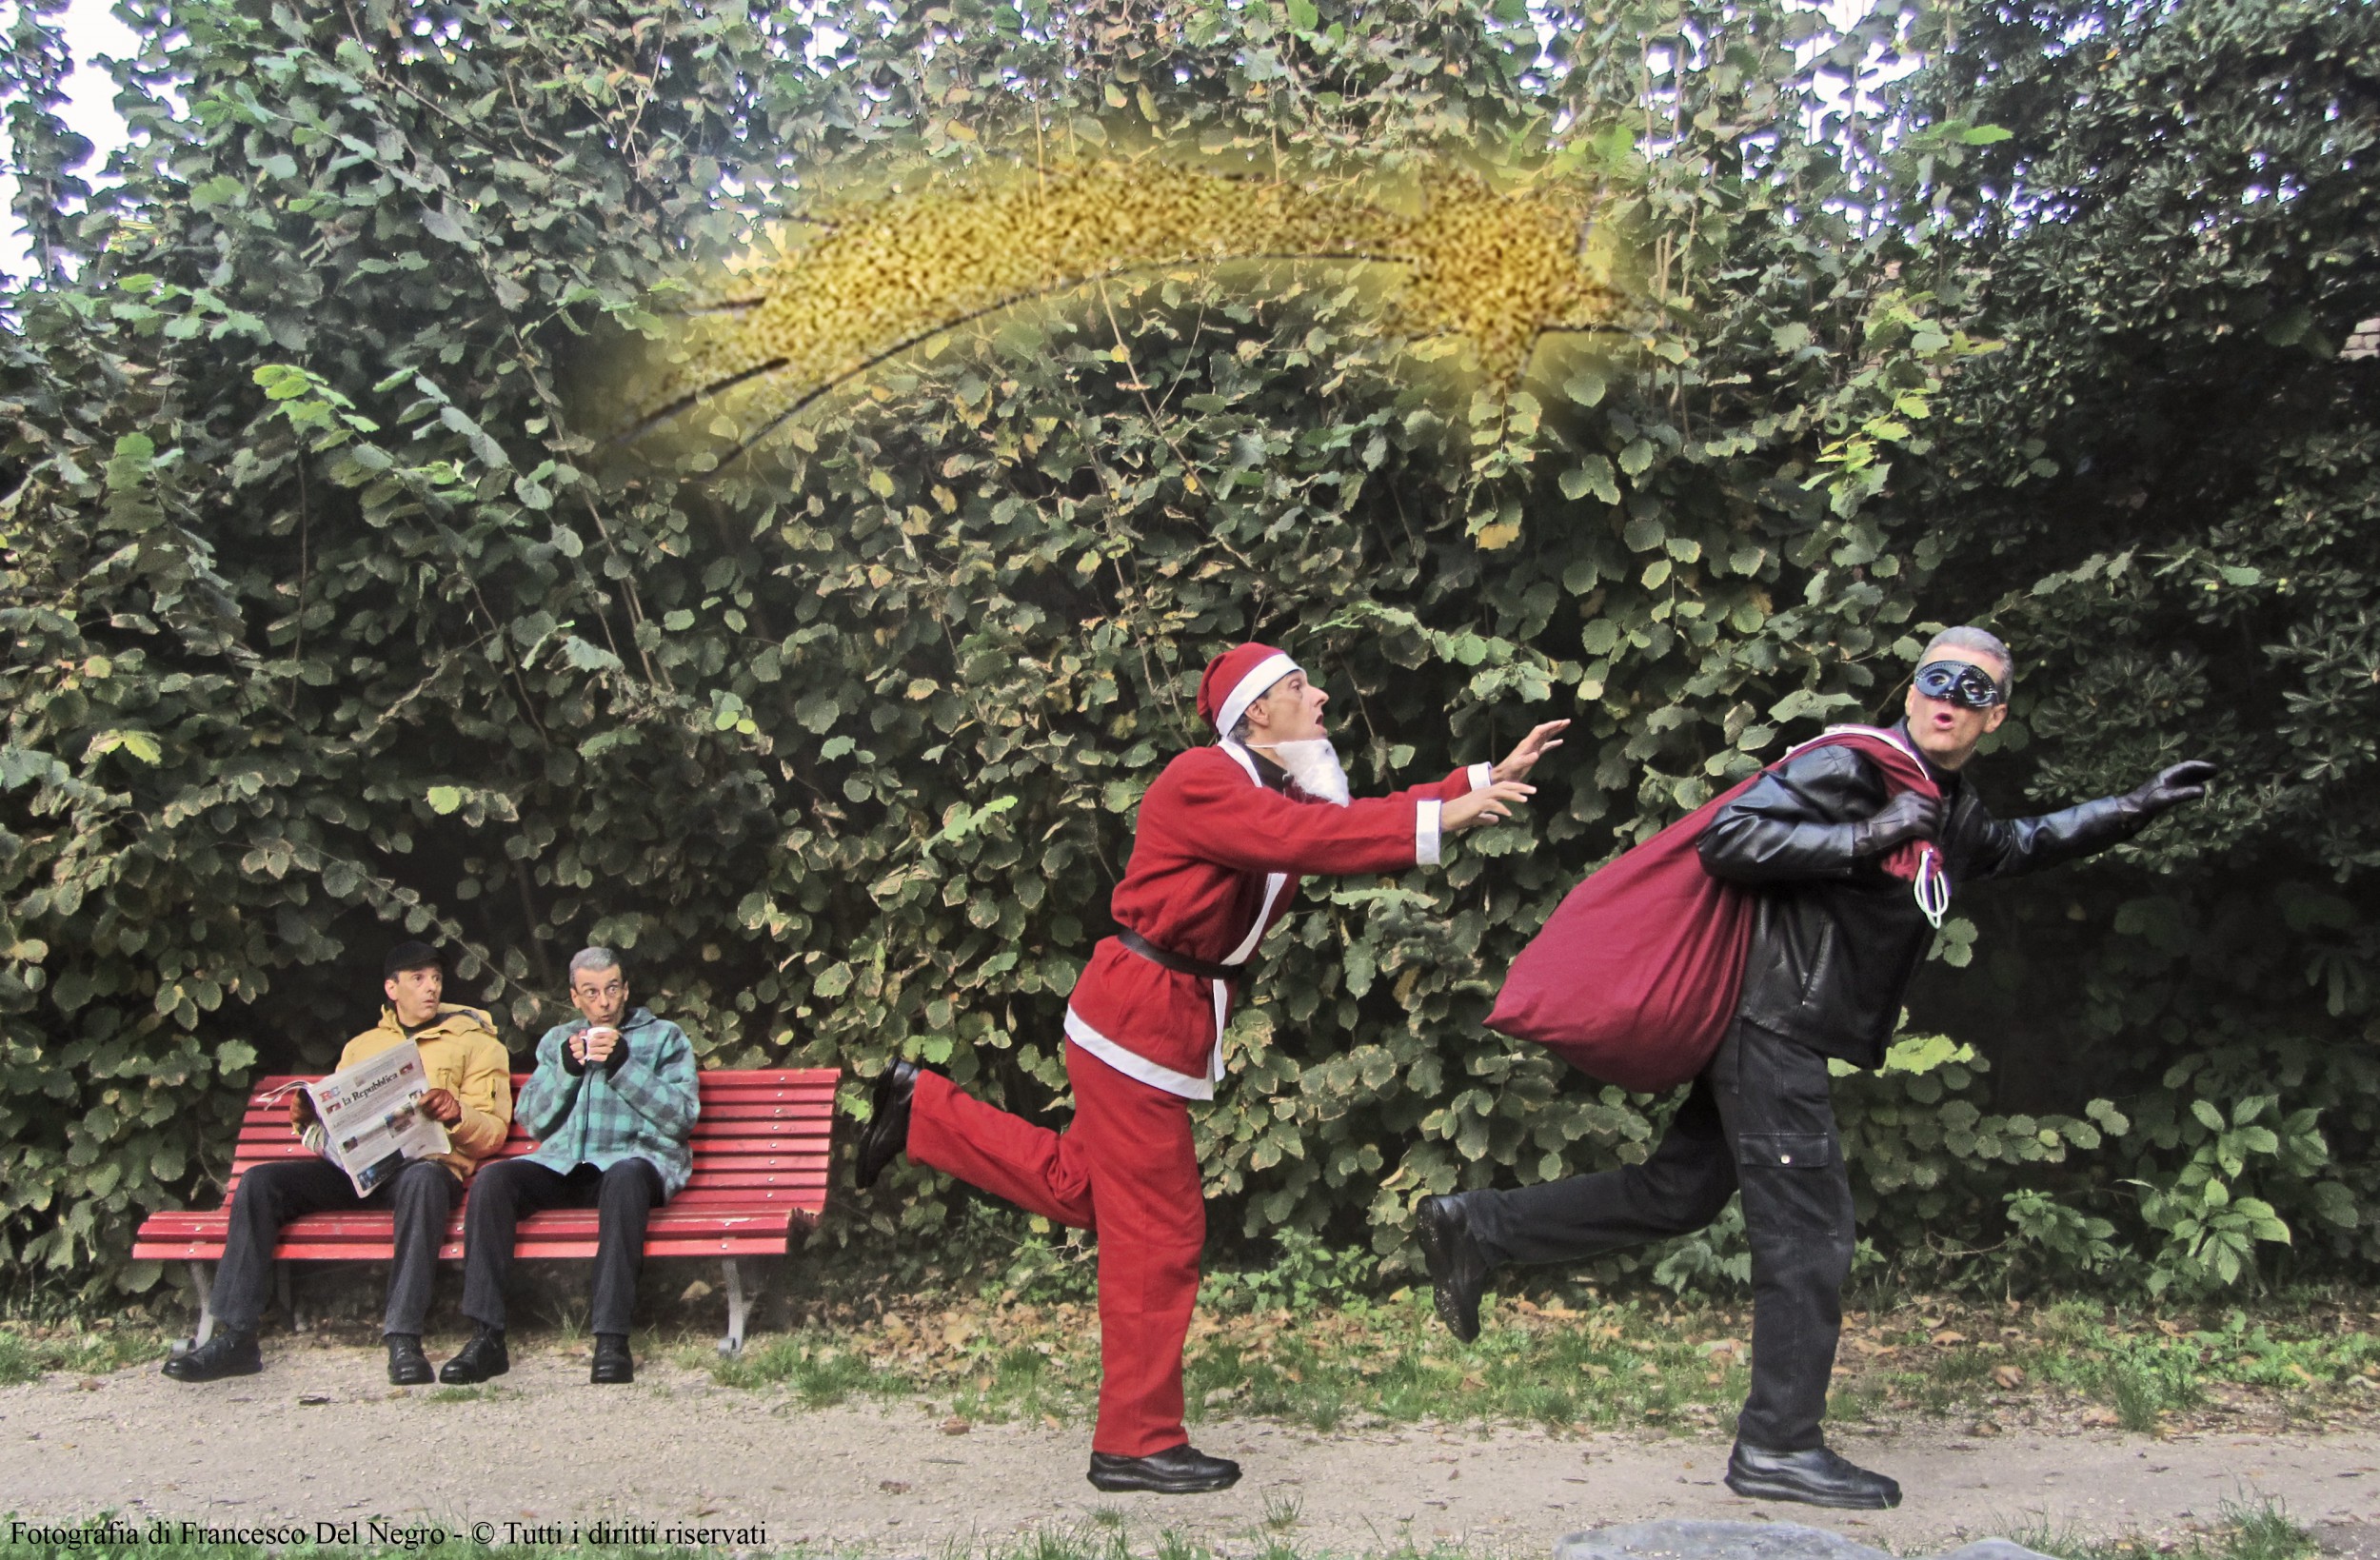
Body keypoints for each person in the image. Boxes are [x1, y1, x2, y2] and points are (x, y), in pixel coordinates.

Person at [1417, 626, 2215, 1510]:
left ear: (1996, 716)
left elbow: (2017, 843)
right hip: (1771, 1024)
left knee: (1678, 1193)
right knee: (1811, 1231)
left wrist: (2132, 807)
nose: (1950, 698)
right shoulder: (1858, 769)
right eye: (1937, 678)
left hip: (1775, 1025)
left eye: (1975, 689)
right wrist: (1868, 834)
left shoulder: (1944, 803)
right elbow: (1732, 837)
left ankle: (1479, 1228)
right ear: (1911, 691)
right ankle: (1778, 1443)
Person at [852, 642, 1564, 1493]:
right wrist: (1444, 819)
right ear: (1255, 711)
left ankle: (922, 1110)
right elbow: (1312, 836)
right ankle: (1135, 1440)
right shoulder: (1202, 780)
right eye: (1300, 686)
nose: (1321, 697)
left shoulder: (1270, 788)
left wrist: (1476, 782)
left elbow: (1348, 818)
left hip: (1149, 1018)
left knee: (1089, 1190)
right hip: (1137, 1021)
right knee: (1161, 1232)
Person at [163, 942, 513, 1386]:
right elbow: (341, 1118)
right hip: (358, 1169)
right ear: (392, 988)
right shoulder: (362, 1046)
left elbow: (493, 1133)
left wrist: (457, 1113)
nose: (431, 988)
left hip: (422, 1168)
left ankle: (404, 1339)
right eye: (418, 979)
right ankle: (237, 1338)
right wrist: (309, 1117)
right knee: (259, 1181)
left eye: (437, 979)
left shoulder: (476, 1043)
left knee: (425, 1179)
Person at [439, 947, 700, 1387]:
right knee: (493, 1180)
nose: (604, 1002)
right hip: (563, 1164)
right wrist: (566, 1068)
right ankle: (486, 1338)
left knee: (624, 1178)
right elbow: (534, 1120)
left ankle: (611, 1341)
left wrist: (623, 1066)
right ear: (576, 997)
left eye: (612, 989)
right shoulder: (559, 1041)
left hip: (632, 1162)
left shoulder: (664, 1038)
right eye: (591, 992)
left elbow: (681, 1118)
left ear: (626, 990)